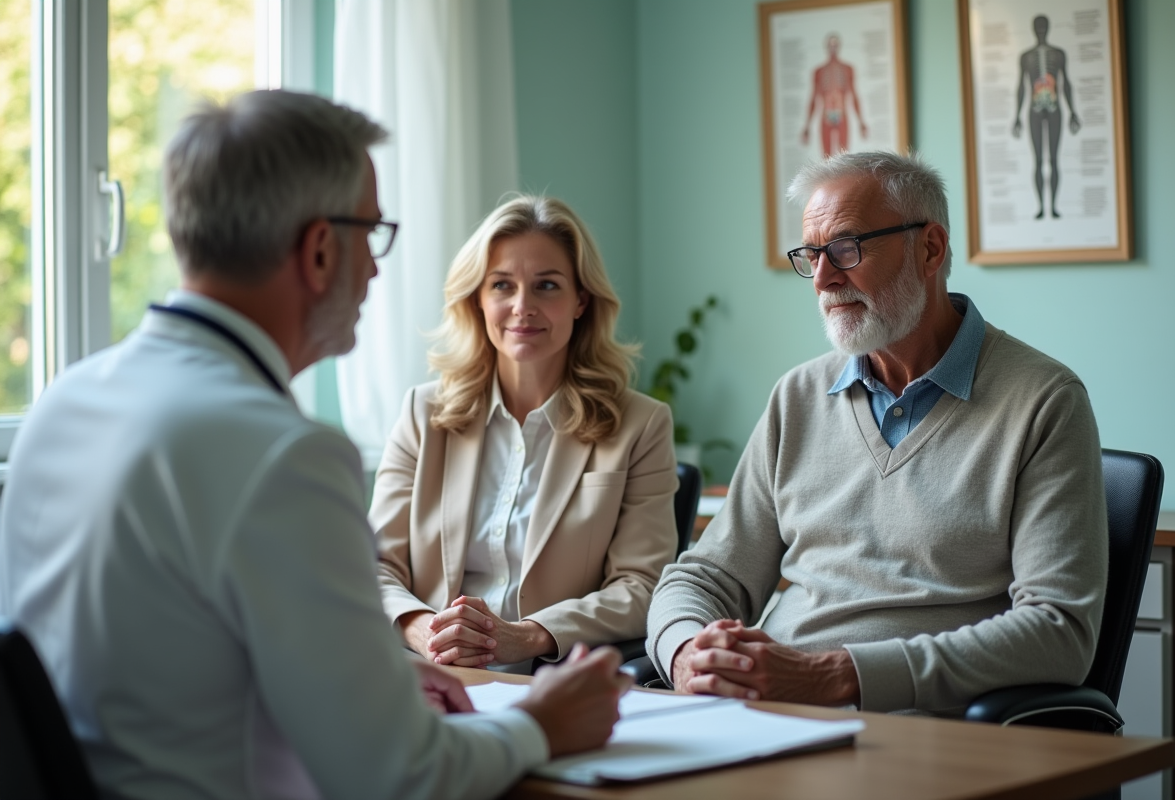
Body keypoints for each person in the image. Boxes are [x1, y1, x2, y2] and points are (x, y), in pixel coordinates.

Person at [0, 90, 632, 800]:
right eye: (373, 234)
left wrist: (376, 674)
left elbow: (174, 661)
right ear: (322, 249)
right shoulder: (281, 456)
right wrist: (543, 724)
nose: (375, 270)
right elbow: (402, 776)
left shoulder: (63, 404)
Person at [646, 150, 1107, 715]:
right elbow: (706, 576)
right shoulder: (797, 397)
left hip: (917, 729)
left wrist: (836, 677)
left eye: (846, 247)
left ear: (930, 248)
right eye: (811, 255)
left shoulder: (1044, 401)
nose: (822, 278)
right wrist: (686, 651)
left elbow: (1058, 632)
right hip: (768, 711)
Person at [370, 194, 678, 672]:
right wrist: (422, 629)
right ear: (478, 299)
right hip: (426, 674)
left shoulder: (641, 425)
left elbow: (641, 586)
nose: (522, 307)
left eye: (547, 286)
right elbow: (374, 565)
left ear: (580, 300)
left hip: (544, 677)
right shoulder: (422, 413)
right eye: (501, 285)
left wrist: (522, 637)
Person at [1013, 14, 1081, 219]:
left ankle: (1053, 206)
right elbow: (1021, 87)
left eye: (1044, 25)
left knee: (1053, 159)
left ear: (1048, 27)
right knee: (1038, 160)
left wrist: (1073, 112)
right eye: (1038, 26)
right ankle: (1042, 207)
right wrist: (1016, 116)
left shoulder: (1059, 54)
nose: (1041, 29)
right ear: (1034, 29)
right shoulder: (1026, 57)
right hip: (1034, 110)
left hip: (1054, 110)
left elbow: (1066, 83)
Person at [801, 34, 868, 158]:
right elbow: (813, 99)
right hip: (826, 117)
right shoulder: (819, 72)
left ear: (839, 46)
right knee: (826, 159)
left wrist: (861, 122)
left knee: (844, 158)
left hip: (841, 116)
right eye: (830, 44)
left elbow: (854, 96)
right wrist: (807, 125)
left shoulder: (847, 69)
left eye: (835, 44)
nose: (833, 47)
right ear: (826, 47)